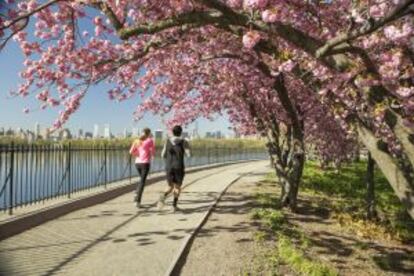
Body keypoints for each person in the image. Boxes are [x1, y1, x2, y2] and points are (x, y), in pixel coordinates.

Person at [158, 125, 191, 212]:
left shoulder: (167, 141)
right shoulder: (184, 142)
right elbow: (189, 155)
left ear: (172, 132)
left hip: (169, 166)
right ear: (181, 132)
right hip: (179, 167)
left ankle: (163, 196)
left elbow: (162, 155)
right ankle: (174, 206)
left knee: (170, 186)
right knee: (177, 187)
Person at [129, 128, 155, 209]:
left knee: (141, 180)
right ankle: (137, 201)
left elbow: (131, 152)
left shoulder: (136, 141)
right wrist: (151, 154)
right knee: (142, 182)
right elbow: (153, 151)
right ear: (148, 133)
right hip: (145, 164)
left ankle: (137, 191)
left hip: (137, 163)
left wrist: (138, 155)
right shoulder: (150, 140)